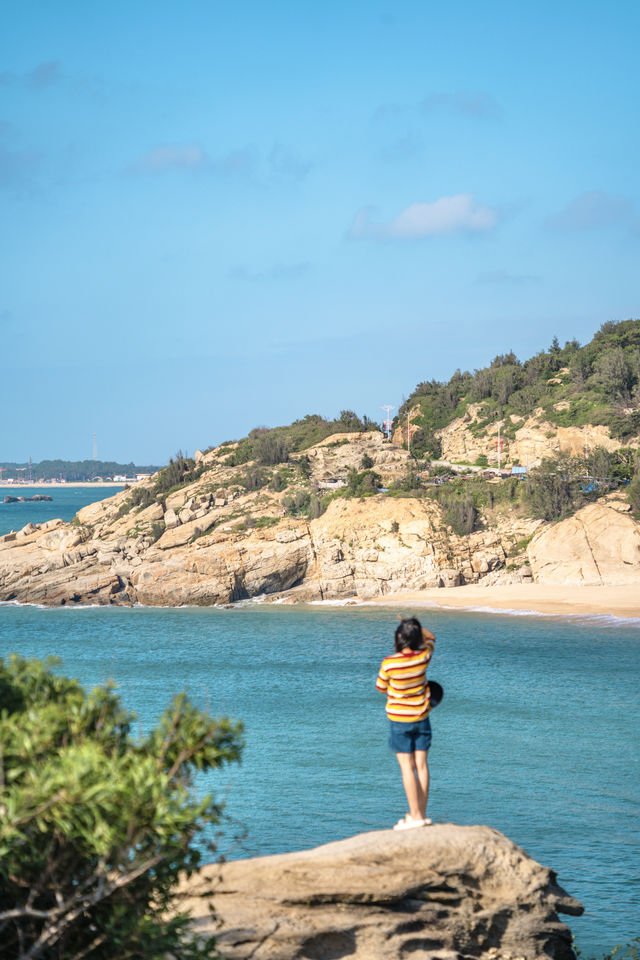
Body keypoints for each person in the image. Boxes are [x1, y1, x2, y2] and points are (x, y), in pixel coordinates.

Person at [376, 616, 436, 830]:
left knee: (406, 768)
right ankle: (421, 814)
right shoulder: (423, 657)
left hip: (399, 721)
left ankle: (414, 816)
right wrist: (417, 628)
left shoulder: (389, 663)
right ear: (417, 638)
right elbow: (432, 637)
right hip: (422, 718)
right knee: (421, 766)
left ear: (398, 638)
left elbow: (380, 687)